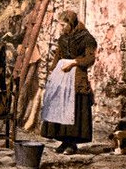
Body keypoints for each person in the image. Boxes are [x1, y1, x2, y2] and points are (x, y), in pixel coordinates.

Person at [41, 10, 97, 154]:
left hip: (76, 76)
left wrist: (74, 62)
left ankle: (72, 144)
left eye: (63, 24)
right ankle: (63, 141)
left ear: (70, 24)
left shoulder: (86, 38)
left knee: (74, 107)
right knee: (60, 107)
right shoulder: (63, 38)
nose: (61, 27)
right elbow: (58, 56)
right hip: (62, 75)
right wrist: (52, 72)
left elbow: (90, 59)